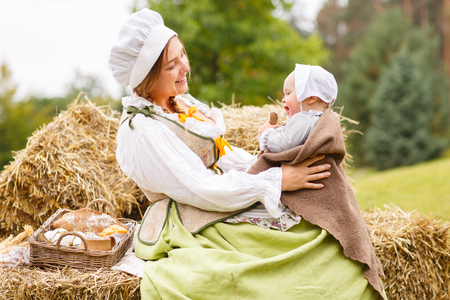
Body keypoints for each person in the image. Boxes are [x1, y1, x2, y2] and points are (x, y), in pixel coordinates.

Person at [109, 8, 385, 300]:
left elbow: (221, 155)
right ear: (149, 74)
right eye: (172, 65)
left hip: (217, 199)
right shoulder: (141, 131)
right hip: (193, 214)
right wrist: (275, 180)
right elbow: (200, 187)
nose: (186, 68)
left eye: (183, 56)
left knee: (322, 237)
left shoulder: (177, 103)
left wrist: (271, 164)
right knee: (295, 262)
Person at [258, 64, 337, 153]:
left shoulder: (304, 119)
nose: (283, 99)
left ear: (311, 98)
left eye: (288, 93)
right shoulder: (324, 121)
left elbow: (282, 145)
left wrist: (267, 133)